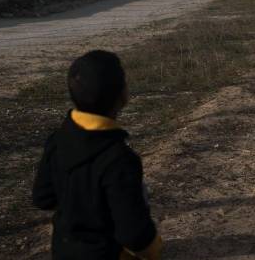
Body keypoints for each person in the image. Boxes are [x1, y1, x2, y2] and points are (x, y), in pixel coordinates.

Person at [32, 50, 161, 259]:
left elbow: (43, 198)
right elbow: (135, 235)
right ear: (123, 96)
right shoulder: (120, 159)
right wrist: (155, 249)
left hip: (63, 251)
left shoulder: (57, 140)